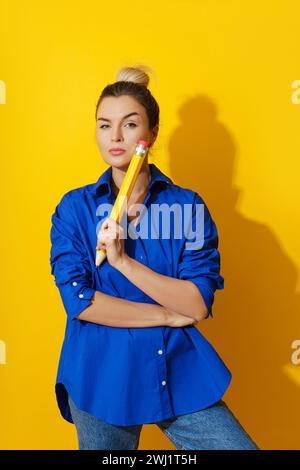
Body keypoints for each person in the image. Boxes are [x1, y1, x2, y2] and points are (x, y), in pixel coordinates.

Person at [49, 65, 260, 450]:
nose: (114, 137)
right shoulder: (74, 209)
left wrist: (123, 262)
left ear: (152, 133)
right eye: (103, 125)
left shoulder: (188, 207)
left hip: (175, 369)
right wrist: (164, 314)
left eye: (129, 125)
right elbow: (80, 302)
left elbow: (195, 303)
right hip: (101, 375)